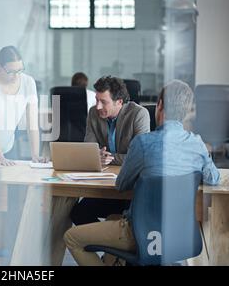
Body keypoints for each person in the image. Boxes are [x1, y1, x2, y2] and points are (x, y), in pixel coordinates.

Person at [64, 80, 221, 266]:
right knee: (114, 218)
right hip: (180, 233)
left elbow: (121, 185)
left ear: (160, 105)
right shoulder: (197, 144)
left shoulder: (144, 144)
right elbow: (214, 178)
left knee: (71, 237)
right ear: (188, 112)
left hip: (138, 232)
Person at [70, 76, 150, 226]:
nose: (98, 106)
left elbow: (140, 157)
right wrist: (95, 156)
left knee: (128, 220)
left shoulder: (139, 114)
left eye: (103, 102)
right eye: (96, 100)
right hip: (103, 184)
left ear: (119, 102)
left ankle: (110, 242)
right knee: (77, 213)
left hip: (129, 189)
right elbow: (89, 148)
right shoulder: (94, 113)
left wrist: (108, 157)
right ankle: (106, 243)